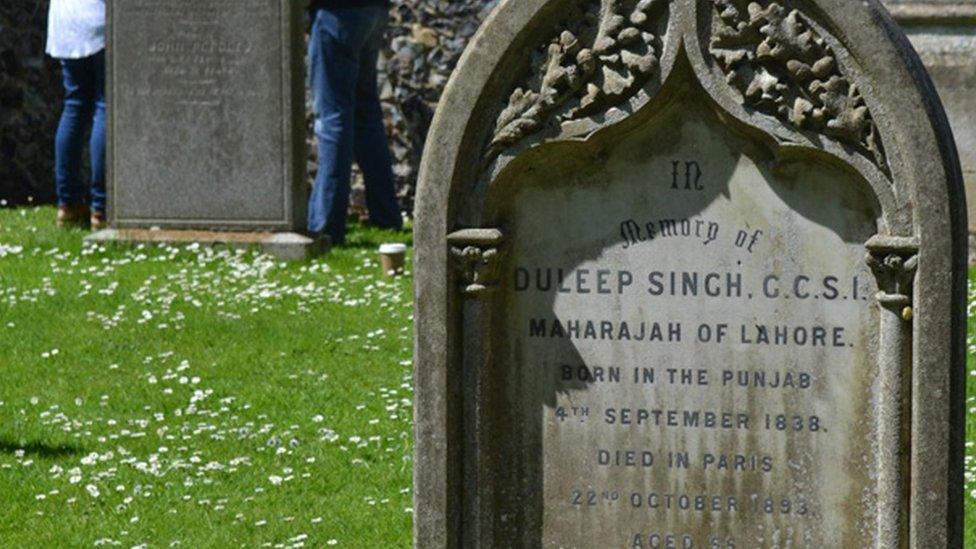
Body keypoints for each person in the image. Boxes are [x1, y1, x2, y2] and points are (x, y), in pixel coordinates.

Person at [307, 0, 403, 245]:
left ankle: (326, 226)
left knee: (332, 117)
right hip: (374, 10)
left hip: (337, 11)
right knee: (365, 116)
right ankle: (386, 216)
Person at [46, 0, 106, 230]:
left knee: (75, 105)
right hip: (99, 16)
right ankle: (101, 206)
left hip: (66, 17)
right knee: (105, 104)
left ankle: (68, 204)